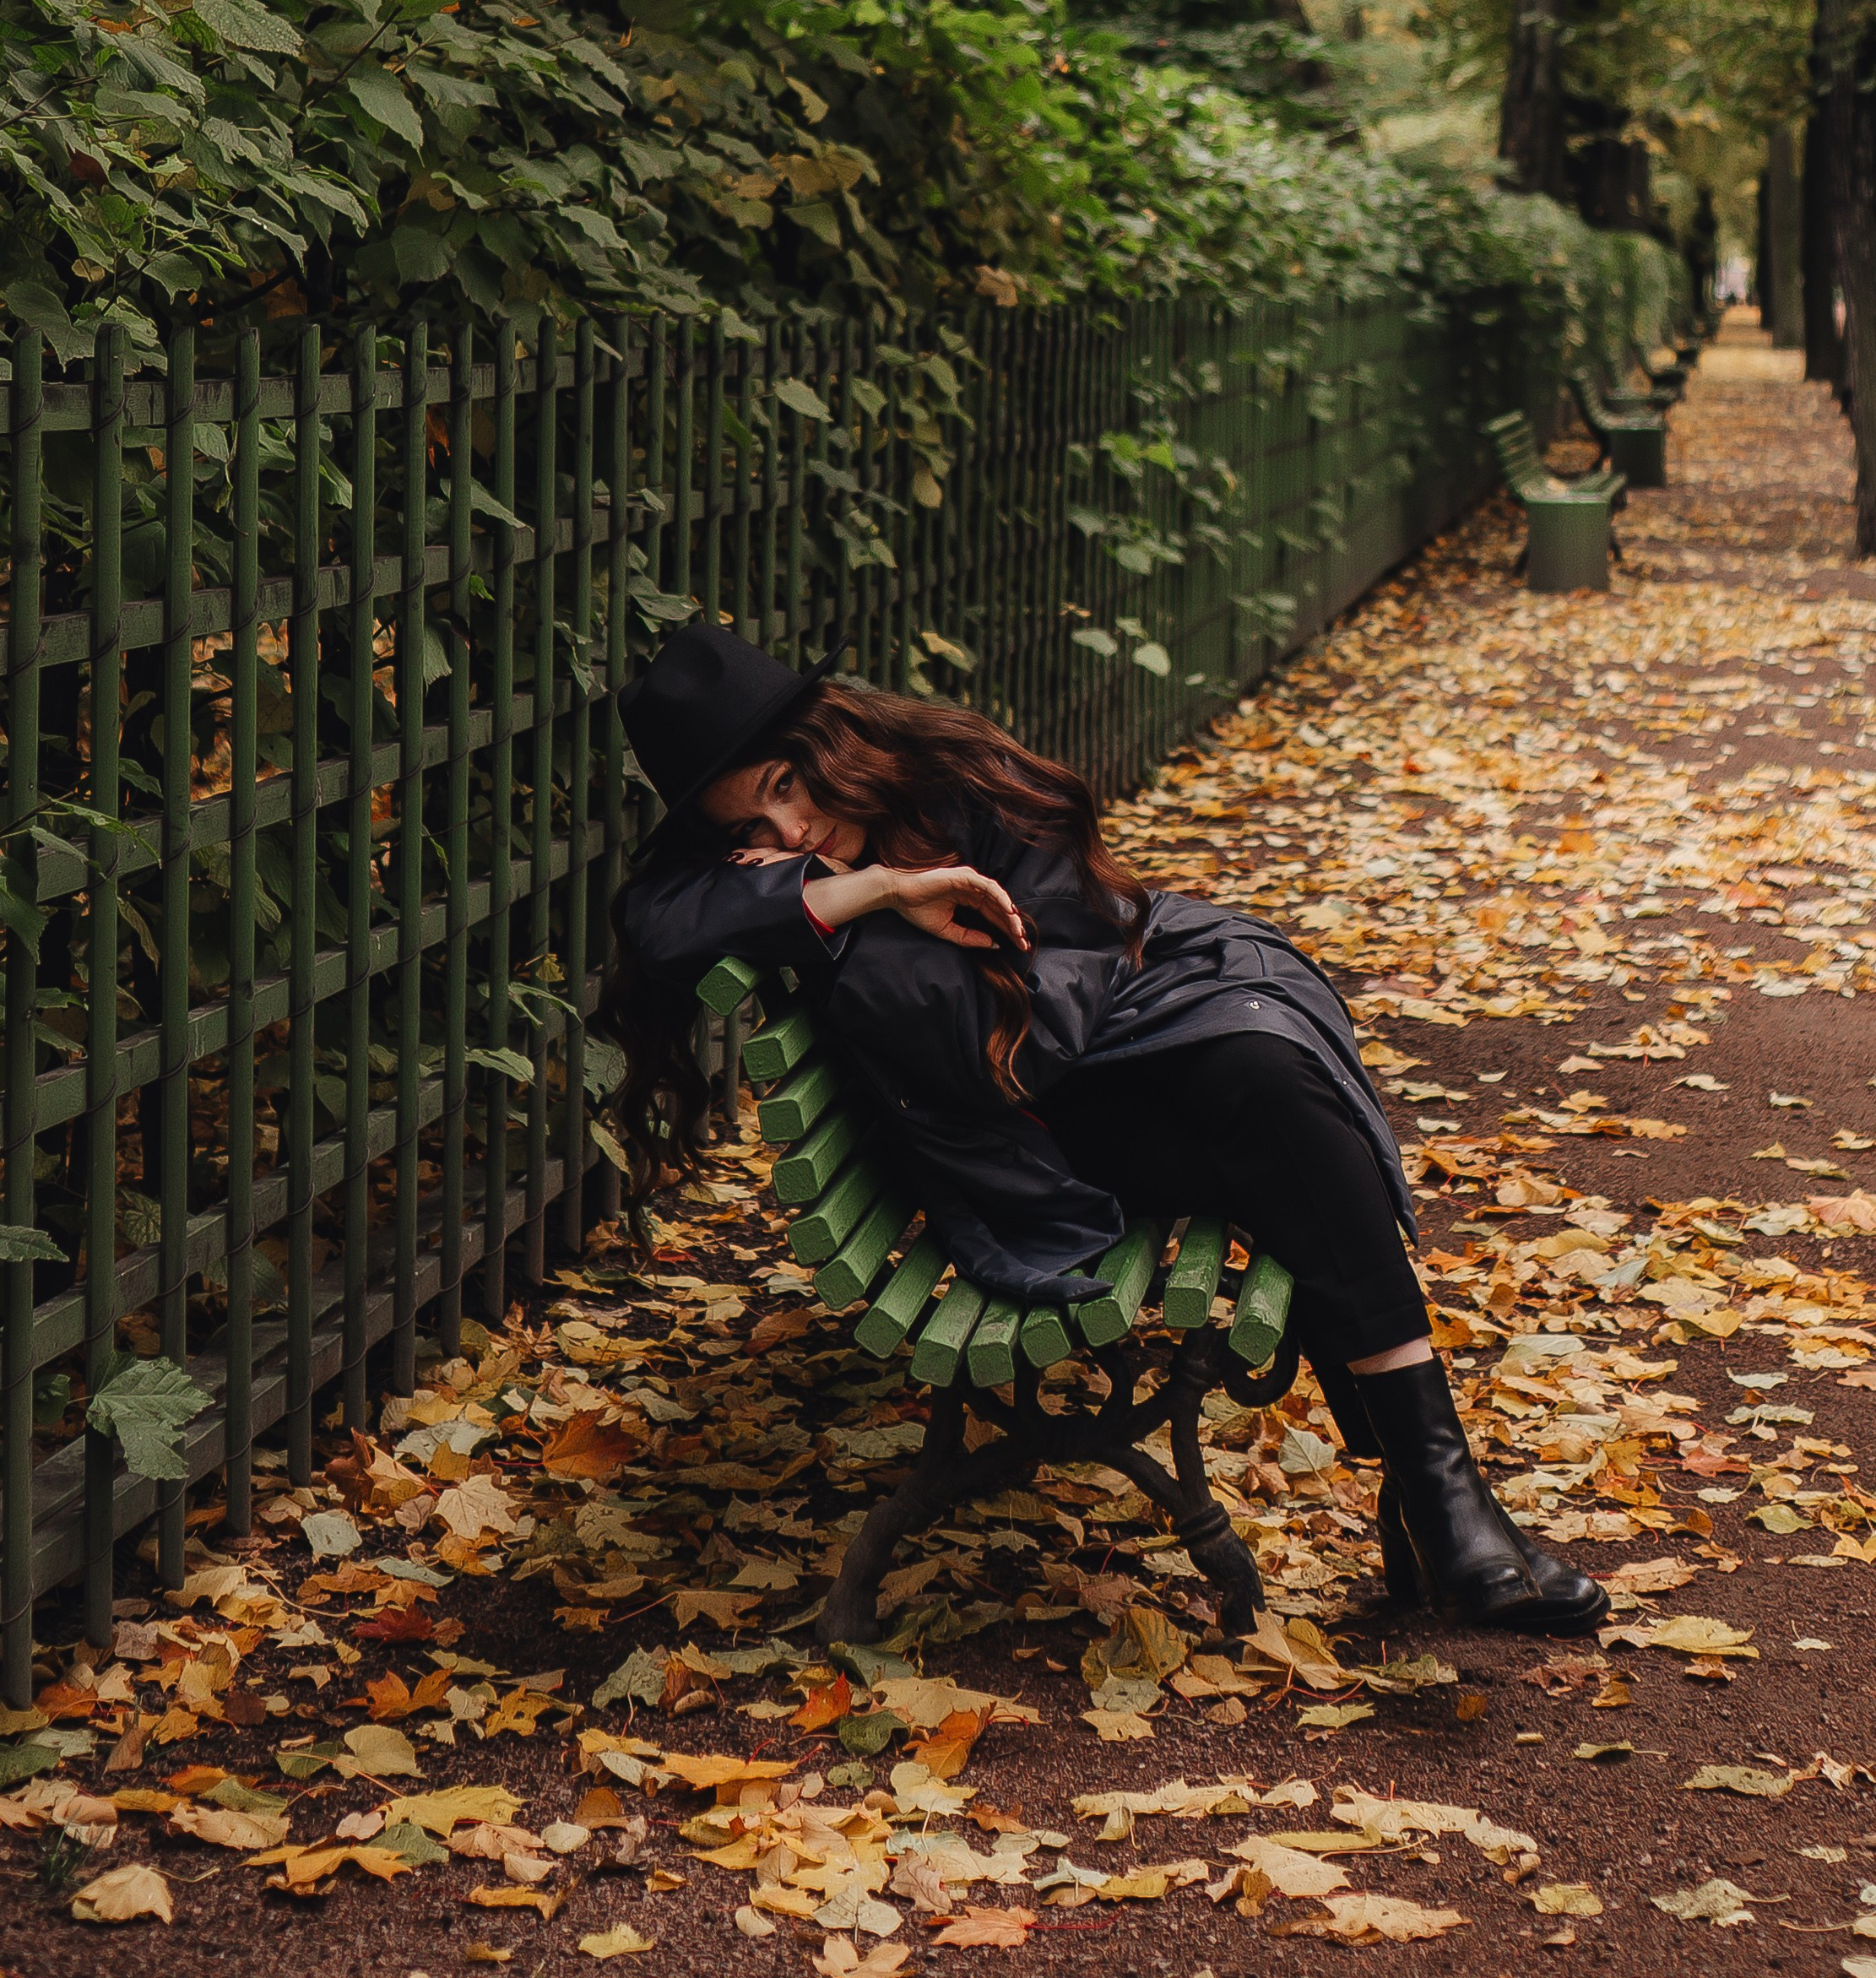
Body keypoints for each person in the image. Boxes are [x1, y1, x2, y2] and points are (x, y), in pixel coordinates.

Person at [603, 620, 1606, 1636]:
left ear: (830, 743)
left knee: (1268, 1085)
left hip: (1101, 1057)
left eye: (789, 785)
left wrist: (872, 912)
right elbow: (657, 924)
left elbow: (1064, 988)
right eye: (760, 827)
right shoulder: (814, 882)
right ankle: (1442, 1504)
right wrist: (881, 893)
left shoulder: (959, 778)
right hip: (1038, 1145)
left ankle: (1435, 1497)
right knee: (1275, 1118)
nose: (794, 831)